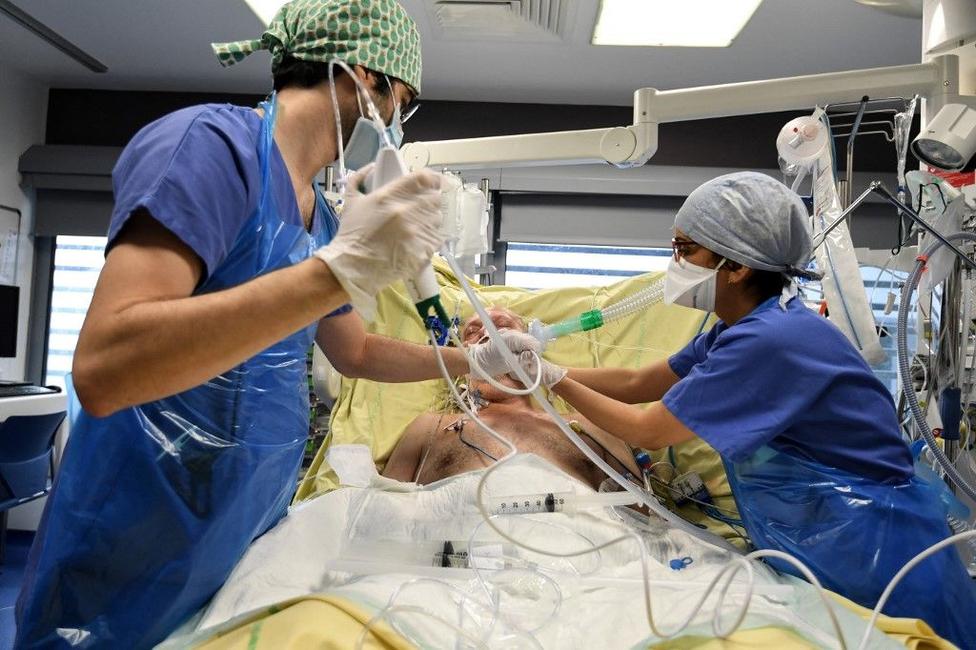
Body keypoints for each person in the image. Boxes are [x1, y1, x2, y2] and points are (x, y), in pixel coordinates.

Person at [14, 2, 531, 647]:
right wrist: (341, 270)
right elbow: (104, 368)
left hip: (238, 523)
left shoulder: (318, 215)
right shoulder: (211, 147)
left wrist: (472, 361)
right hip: (140, 525)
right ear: (366, 77)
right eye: (405, 101)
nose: (398, 124)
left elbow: (356, 351)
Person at [508, 171, 976, 647]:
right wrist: (535, 361)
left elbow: (647, 430)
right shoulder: (738, 329)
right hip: (829, 532)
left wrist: (550, 380)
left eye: (686, 250)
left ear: (738, 266)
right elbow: (636, 382)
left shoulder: (770, 341)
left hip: (875, 545)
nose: (675, 263)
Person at [382, 307, 641, 489]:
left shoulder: (591, 426)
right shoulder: (430, 428)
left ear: (532, 344)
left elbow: (646, 524)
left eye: (503, 327)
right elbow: (379, 516)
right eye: (473, 332)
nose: (488, 335)